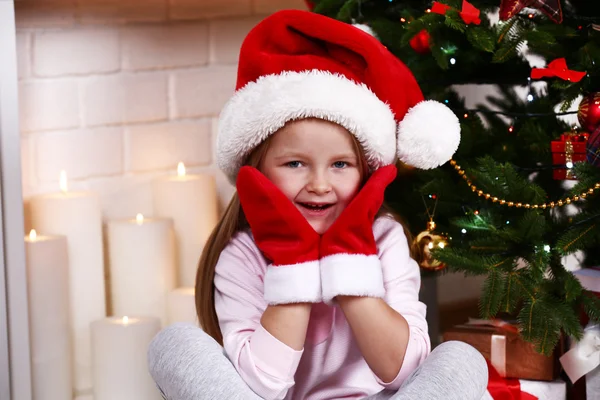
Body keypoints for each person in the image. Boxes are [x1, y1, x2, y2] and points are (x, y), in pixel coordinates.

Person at [147, 9, 488, 400]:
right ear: (256, 171)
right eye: (295, 164)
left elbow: (402, 373)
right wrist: (294, 262)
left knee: (462, 358)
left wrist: (349, 262)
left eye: (341, 165)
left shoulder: (386, 238)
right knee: (173, 342)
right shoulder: (241, 255)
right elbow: (263, 386)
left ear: (367, 173)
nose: (320, 185)